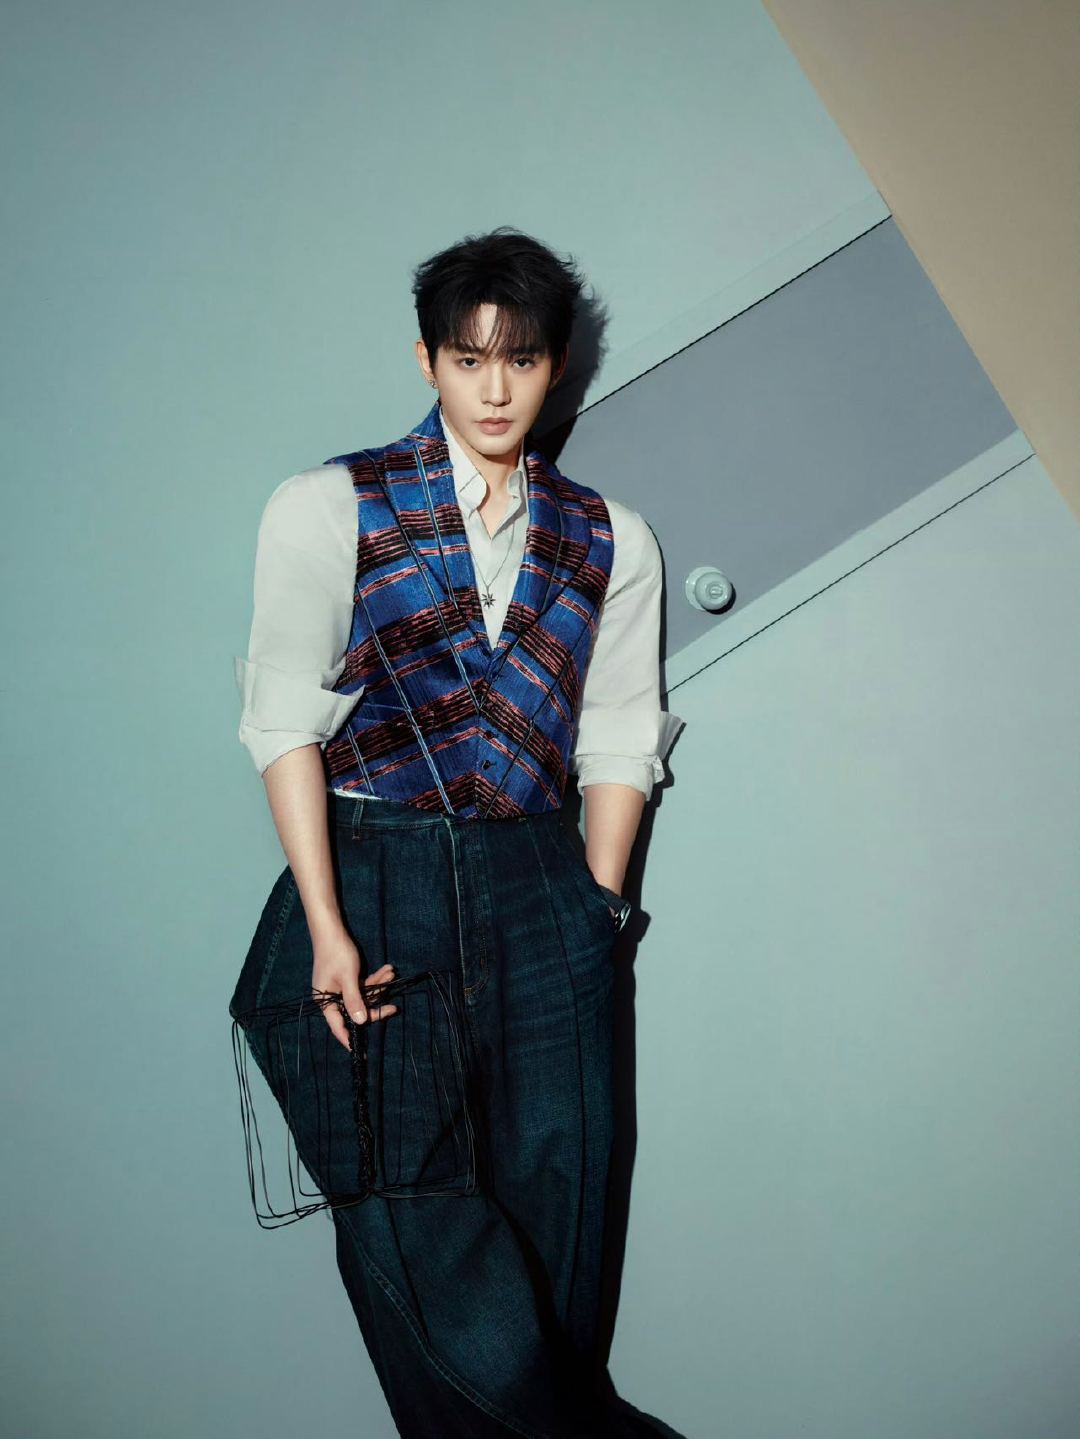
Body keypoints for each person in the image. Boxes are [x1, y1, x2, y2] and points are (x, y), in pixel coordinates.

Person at [229, 226, 684, 1437]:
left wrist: (593, 909)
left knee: (560, 1197)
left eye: (520, 360)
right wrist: (327, 920)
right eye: (469, 358)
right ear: (427, 357)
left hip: (542, 883)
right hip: (375, 873)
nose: (494, 389)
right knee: (409, 1210)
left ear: (554, 366)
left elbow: (619, 732)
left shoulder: (611, 536)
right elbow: (281, 722)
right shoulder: (328, 505)